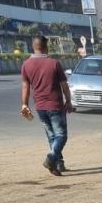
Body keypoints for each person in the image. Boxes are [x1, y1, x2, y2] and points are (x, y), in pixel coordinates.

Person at [20, 33, 73, 177]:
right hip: (55, 105)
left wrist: (24, 104)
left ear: (33, 46)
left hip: (40, 107)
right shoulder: (54, 63)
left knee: (51, 136)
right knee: (61, 136)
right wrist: (68, 101)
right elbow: (64, 86)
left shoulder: (26, 64)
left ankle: (57, 164)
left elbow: (25, 86)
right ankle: (51, 159)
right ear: (46, 47)